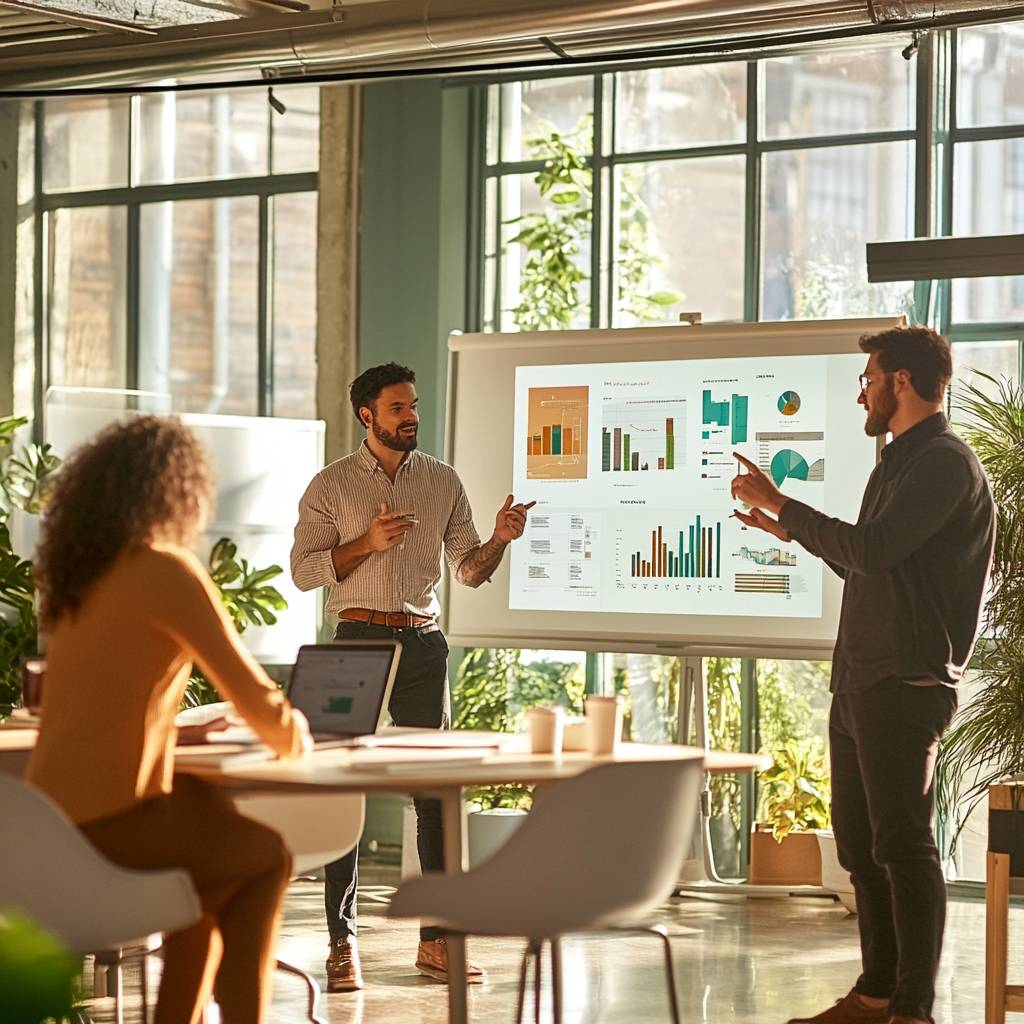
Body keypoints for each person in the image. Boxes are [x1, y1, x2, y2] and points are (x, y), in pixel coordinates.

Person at [730, 326, 994, 1024]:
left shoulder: (943, 463)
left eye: (869, 378)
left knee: (902, 845)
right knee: (858, 844)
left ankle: (913, 1007)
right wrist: (794, 533)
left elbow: (873, 551)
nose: (861, 393)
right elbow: (872, 565)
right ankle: (876, 993)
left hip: (904, 685)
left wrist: (786, 504)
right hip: (860, 680)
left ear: (902, 381)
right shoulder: (899, 461)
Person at [27, 416, 313, 1024]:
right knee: (265, 856)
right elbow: (254, 699)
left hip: (43, 829)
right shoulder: (163, 569)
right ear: (174, 490)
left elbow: (94, 704)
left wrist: (175, 732)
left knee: (206, 864)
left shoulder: (76, 581)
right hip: (111, 829)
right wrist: (295, 736)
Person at [290, 361, 533, 992]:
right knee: (343, 795)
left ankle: (437, 941)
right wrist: (366, 543)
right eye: (398, 409)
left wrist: (502, 539)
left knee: (436, 794)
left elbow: (470, 571)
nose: (412, 418)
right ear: (367, 415)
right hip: (354, 642)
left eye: (414, 406)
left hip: (424, 643)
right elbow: (304, 572)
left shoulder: (443, 482)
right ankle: (342, 944)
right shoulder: (330, 485)